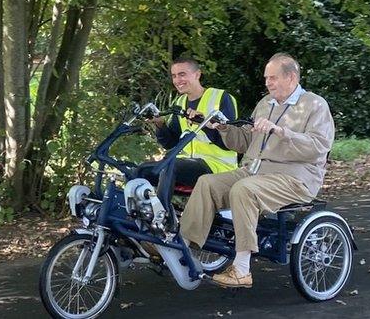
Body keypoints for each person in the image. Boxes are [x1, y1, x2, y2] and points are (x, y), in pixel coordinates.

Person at [179, 53, 335, 289]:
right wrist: (221, 128)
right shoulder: (265, 104)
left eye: (272, 78)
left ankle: (242, 269)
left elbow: (319, 147)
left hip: (295, 177)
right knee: (207, 183)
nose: (267, 83)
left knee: (244, 190)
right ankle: (183, 247)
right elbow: (245, 142)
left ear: (291, 77)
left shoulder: (314, 104)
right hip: (255, 171)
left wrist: (282, 132)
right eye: (266, 78)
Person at [137, 57, 239, 189]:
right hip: (187, 163)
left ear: (197, 74)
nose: (177, 80)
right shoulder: (179, 102)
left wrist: (203, 124)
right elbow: (171, 143)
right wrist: (160, 124)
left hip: (218, 167)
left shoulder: (221, 98)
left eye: (182, 74)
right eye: (174, 76)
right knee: (141, 171)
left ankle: (162, 209)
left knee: (170, 166)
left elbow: (231, 142)